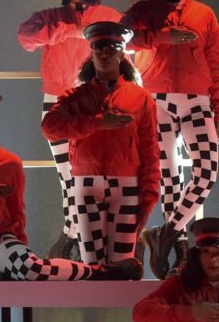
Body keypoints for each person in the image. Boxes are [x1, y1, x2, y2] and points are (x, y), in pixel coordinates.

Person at [0, 85, 141, 281]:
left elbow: (17, 213)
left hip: (0, 243)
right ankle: (7, 272)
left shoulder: (10, 163)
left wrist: (22, 251)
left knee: (31, 268)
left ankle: (98, 273)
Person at [121, 0, 219, 279]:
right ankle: (177, 247)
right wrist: (160, 37)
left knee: (207, 171)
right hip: (157, 100)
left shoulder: (204, 14)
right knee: (169, 177)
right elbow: (119, 38)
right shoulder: (143, 11)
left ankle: (165, 231)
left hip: (197, 101)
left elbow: (216, 63)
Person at [17, 0, 122, 259]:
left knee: (96, 177)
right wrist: (70, 31)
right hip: (59, 103)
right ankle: (75, 236)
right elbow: (25, 37)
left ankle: (76, 237)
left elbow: (130, 55)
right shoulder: (49, 17)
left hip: (98, 103)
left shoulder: (110, 17)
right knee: (68, 175)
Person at [41, 22, 159, 268]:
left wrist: (148, 197)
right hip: (86, 185)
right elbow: (49, 128)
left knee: (123, 265)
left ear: (121, 53)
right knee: (91, 265)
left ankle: (119, 307)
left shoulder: (141, 98)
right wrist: (98, 122)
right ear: (91, 53)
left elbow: (150, 152)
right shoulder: (76, 96)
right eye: (98, 49)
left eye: (112, 48)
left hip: (127, 186)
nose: (105, 54)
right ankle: (87, 307)